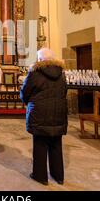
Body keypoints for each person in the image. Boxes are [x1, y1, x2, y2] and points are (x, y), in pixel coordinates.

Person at [20, 47, 68, 185]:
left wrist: (29, 102)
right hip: (58, 113)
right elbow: (64, 91)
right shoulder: (61, 73)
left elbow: (25, 92)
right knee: (56, 145)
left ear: (40, 59)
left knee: (40, 145)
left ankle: (40, 176)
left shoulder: (35, 73)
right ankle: (58, 176)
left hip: (39, 114)